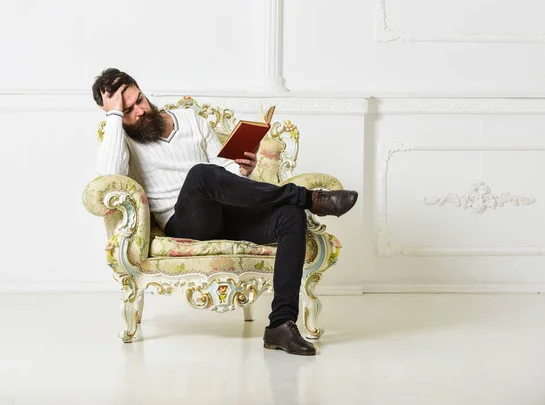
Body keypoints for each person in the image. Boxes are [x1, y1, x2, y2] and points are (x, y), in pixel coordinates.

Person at [92, 68, 358, 356]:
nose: (140, 111)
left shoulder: (191, 119)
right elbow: (109, 177)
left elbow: (224, 172)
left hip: (226, 212)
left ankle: (280, 325)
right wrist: (114, 117)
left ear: (143, 91)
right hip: (186, 223)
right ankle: (306, 197)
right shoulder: (122, 139)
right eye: (128, 110)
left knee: (290, 217)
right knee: (200, 175)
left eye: (139, 100)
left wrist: (244, 169)